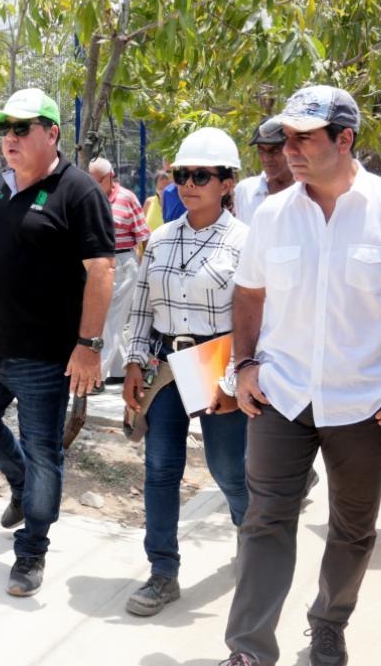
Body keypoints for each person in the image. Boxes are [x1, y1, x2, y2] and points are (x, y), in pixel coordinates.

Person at [219, 86, 381, 666]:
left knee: (352, 527)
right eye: (285, 138)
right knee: (264, 521)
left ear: (345, 139)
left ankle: (329, 622)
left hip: (369, 405)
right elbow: (249, 294)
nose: (288, 149)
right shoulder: (272, 215)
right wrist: (245, 364)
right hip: (282, 396)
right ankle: (249, 650)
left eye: (304, 138)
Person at [0, 87, 114, 597]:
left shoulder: (78, 191)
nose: (9, 138)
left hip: (42, 358)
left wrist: (88, 345)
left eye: (22, 128)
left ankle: (32, 548)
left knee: (45, 454)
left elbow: (101, 271)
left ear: (52, 132)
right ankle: (20, 485)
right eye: (3, 129)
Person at [122, 127, 249, 617]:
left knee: (226, 469)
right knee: (160, 468)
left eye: (202, 175)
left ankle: (251, 533)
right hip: (166, 364)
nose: (188, 183)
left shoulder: (244, 241)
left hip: (218, 362)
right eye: (181, 174)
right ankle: (162, 571)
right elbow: (140, 308)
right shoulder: (159, 239)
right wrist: (133, 361)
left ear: (227, 183)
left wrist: (235, 379)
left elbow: (253, 320)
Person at [89, 157, 150, 383]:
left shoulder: (127, 198)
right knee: (104, 318)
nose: (93, 185)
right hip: (96, 263)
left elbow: (144, 236)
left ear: (110, 177)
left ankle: (98, 376)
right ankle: (117, 370)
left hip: (123, 262)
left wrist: (146, 269)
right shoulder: (89, 198)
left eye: (97, 181)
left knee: (111, 319)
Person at [232, 118, 293, 224]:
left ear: (290, 149)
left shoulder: (309, 192)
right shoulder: (244, 191)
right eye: (261, 151)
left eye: (275, 150)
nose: (266, 158)